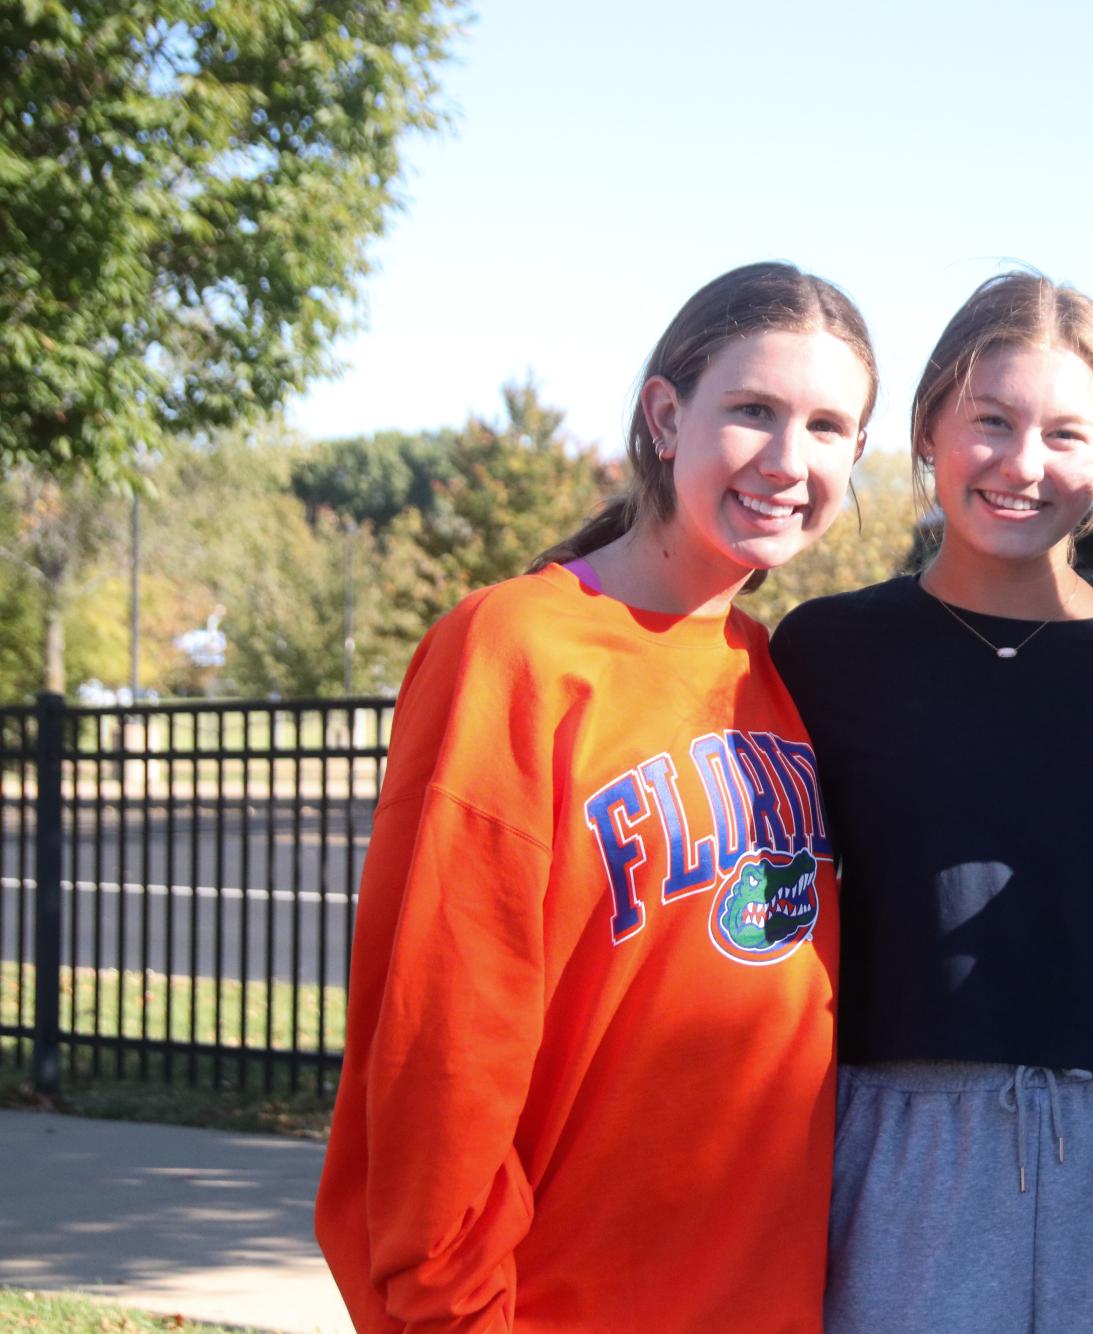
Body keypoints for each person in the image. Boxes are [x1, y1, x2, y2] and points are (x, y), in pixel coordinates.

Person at [315, 262, 878, 1333]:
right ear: (666, 415)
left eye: (826, 426)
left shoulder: (773, 672)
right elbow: (444, 1038)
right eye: (753, 410)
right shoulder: (514, 647)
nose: (787, 459)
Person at [769, 272, 1093, 1333]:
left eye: (1066, 433)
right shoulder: (828, 651)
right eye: (992, 421)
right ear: (931, 426)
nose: (1025, 464)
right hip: (902, 1144)